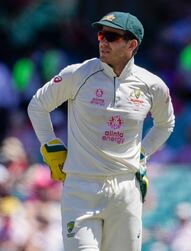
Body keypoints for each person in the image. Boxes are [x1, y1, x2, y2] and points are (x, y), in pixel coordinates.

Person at [27, 11, 175, 251]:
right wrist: (51, 147)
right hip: (81, 188)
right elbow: (37, 106)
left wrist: (142, 154)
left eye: (112, 36)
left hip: (126, 190)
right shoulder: (78, 74)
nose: (103, 41)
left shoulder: (152, 85)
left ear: (131, 44)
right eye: (101, 34)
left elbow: (166, 124)